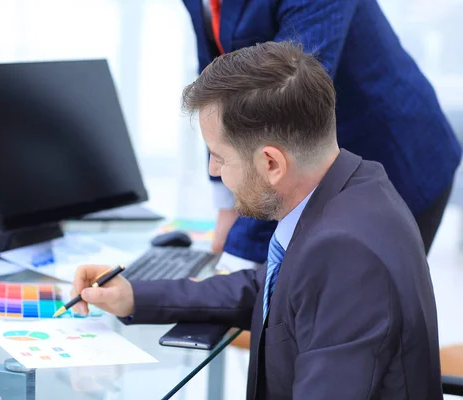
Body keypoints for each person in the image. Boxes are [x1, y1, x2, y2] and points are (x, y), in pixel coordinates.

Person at [71, 42, 442, 399]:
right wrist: (134, 296)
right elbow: (265, 288)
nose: (214, 171)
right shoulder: (352, 184)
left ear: (271, 164)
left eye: (219, 156)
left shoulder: (344, 253)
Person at [185, 0, 462, 268]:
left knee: (350, 302)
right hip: (298, 163)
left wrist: (238, 256)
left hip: (391, 155)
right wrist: (227, 205)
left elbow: (285, 113)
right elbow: (213, 81)